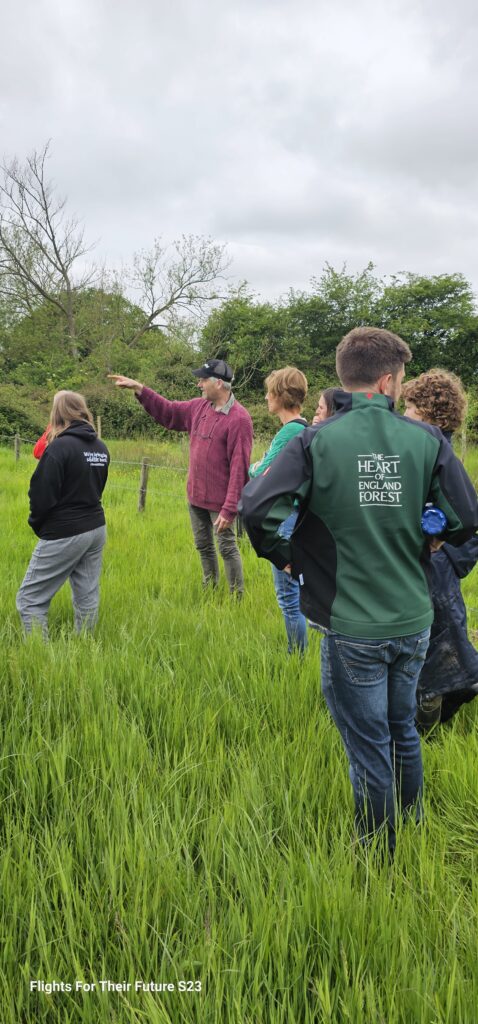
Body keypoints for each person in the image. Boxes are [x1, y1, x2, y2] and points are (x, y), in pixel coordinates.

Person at [240, 327, 478, 854]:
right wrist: (434, 534)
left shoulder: (314, 440)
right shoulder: (427, 440)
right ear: (391, 380)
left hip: (351, 626)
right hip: (414, 620)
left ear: (346, 375)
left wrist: (289, 559)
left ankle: (377, 854)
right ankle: (410, 827)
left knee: (368, 742)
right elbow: (468, 519)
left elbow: (257, 510)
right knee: (402, 729)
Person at [109, 360, 253, 596]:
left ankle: (236, 598)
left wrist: (229, 509)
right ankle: (210, 590)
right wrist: (140, 389)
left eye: (203, 380)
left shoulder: (239, 419)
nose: (199, 384)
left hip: (220, 503)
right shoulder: (199, 407)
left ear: (219, 383)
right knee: (203, 546)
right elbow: (169, 412)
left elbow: (240, 468)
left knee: (227, 548)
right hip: (195, 497)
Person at [402, 369, 478, 730]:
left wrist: (440, 554)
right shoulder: (432, 451)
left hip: (433, 575)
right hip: (435, 574)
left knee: (435, 651)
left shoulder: (434, 456)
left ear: (431, 414)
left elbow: (469, 526)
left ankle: (425, 727)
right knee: (439, 644)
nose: (404, 417)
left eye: (410, 409)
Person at [16, 391, 109, 638]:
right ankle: (85, 646)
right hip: (96, 528)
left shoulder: (59, 447)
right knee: (87, 594)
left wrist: (38, 524)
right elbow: (97, 487)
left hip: (65, 530)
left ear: (58, 413)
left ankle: (38, 658)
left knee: (30, 599)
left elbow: (41, 493)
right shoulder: (100, 447)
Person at [249, 367, 309, 653]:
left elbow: (261, 473)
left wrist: (256, 466)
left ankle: (295, 656)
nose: (265, 397)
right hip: (296, 516)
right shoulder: (304, 428)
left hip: (286, 517)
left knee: (288, 597)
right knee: (294, 593)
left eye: (269, 391)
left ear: (280, 395)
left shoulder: (291, 432)